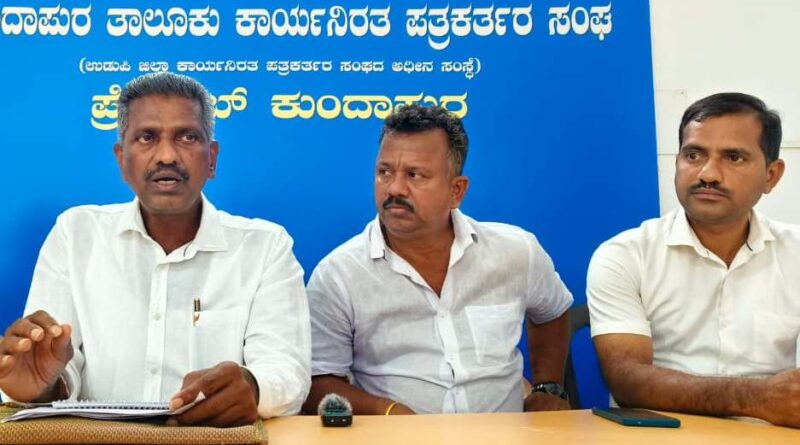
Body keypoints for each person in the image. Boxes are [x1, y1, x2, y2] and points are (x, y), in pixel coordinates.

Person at [0, 72, 311, 426]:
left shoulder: (265, 247)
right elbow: (53, 365)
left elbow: (286, 371)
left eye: (187, 137)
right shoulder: (76, 235)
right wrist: (42, 387)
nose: (166, 155)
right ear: (121, 158)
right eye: (147, 137)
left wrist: (253, 386)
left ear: (212, 158)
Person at [303, 105, 573, 415]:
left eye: (414, 175)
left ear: (456, 191)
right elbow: (318, 382)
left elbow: (552, 311)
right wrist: (387, 412)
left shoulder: (515, 251)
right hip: (395, 437)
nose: (394, 188)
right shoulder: (339, 274)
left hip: (505, 432)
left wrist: (548, 386)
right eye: (384, 172)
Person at [587, 92, 800, 427]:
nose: (708, 174)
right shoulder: (625, 255)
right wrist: (757, 398)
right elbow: (626, 380)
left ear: (771, 176)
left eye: (733, 157)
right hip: (663, 434)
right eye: (693, 155)